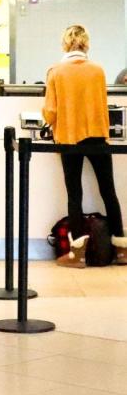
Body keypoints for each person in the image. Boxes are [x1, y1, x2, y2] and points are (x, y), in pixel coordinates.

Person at [45, 25, 126, 267]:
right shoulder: (98, 71)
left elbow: (50, 112)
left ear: (65, 44)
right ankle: (121, 250)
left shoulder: (56, 72)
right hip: (98, 136)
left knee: (75, 194)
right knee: (108, 191)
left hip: (69, 138)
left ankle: (77, 254)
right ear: (85, 43)